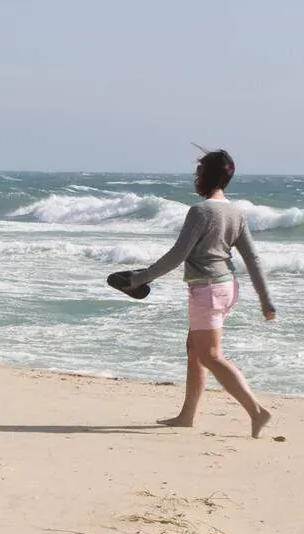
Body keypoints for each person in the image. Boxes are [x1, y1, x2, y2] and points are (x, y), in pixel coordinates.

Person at [113, 150, 276, 437]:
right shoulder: (236, 213)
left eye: (199, 173)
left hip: (208, 290)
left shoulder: (200, 212)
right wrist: (266, 300)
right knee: (195, 350)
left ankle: (256, 411)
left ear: (208, 176)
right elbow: (252, 259)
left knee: (211, 355)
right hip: (226, 288)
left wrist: (138, 278)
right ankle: (187, 415)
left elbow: (178, 255)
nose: (196, 178)